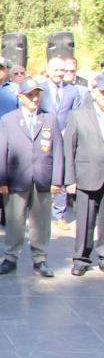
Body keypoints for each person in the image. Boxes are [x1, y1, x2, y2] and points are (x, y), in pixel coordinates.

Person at [0, 79, 62, 277]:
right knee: (15, 220)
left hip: (43, 177)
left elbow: (58, 151)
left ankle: (40, 258)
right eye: (30, 94)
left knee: (40, 221)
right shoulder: (9, 119)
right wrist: (2, 180)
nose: (34, 98)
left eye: (37, 94)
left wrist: (57, 180)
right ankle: (10, 257)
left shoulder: (50, 119)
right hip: (16, 178)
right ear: (20, 97)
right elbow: (2, 152)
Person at [64, 75, 104, 276]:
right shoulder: (78, 115)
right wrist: (69, 178)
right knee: (85, 220)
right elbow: (69, 148)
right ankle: (81, 258)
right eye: (103, 92)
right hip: (86, 175)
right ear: (95, 92)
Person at [42, 55, 85, 232]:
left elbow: (77, 114)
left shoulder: (72, 91)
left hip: (65, 137)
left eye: (63, 70)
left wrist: (68, 131)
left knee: (62, 172)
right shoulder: (40, 89)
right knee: (43, 172)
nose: (59, 73)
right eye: (56, 70)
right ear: (49, 70)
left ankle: (59, 215)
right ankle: (41, 211)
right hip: (43, 138)